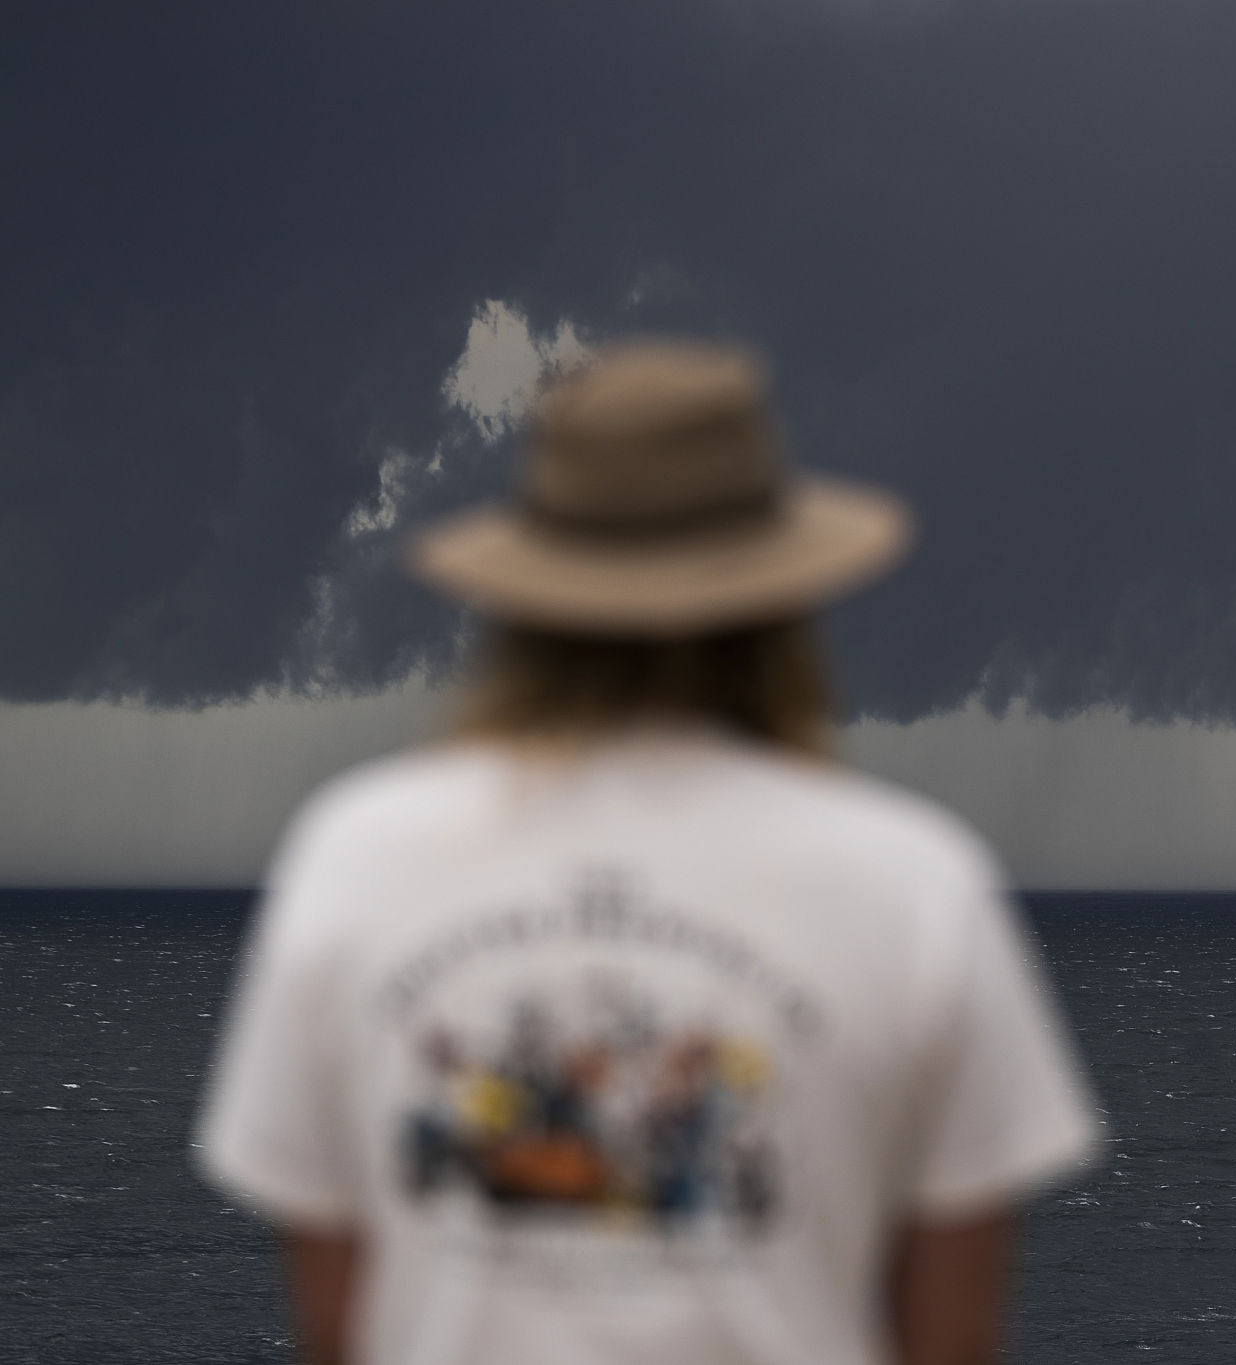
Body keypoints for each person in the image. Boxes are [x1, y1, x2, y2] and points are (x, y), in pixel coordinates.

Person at [196, 341, 1100, 1365]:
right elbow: (951, 1339)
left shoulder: (355, 854)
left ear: (524, 594)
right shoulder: (914, 886)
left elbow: (335, 1321)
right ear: (778, 596)